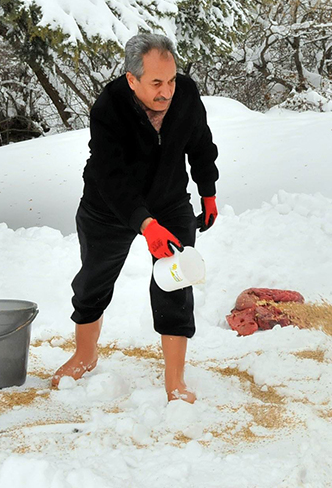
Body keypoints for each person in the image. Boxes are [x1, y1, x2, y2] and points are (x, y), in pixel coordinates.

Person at [51, 33, 219, 404]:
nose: (168, 91)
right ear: (132, 79)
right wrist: (144, 224)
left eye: (172, 79)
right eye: (156, 83)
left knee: (175, 283)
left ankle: (175, 379)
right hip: (109, 205)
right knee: (94, 279)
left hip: (169, 199)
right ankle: (85, 354)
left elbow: (201, 143)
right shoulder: (109, 108)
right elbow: (111, 176)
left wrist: (208, 191)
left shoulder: (186, 95)